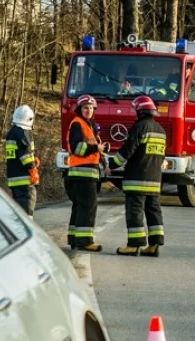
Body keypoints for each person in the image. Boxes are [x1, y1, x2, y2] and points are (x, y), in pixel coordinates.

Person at [110, 95, 167, 257]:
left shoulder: (139, 127)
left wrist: (111, 166)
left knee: (135, 211)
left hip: (137, 179)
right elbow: (161, 156)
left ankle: (134, 245)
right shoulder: (161, 131)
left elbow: (127, 151)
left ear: (140, 112)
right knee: (154, 211)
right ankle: (154, 244)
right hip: (155, 180)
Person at [65, 94, 109, 252]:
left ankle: (74, 238)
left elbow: (90, 148)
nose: (89, 110)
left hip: (83, 173)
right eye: (85, 108)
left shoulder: (88, 125)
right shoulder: (78, 124)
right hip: (82, 173)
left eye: (91, 108)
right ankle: (84, 241)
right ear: (79, 109)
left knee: (79, 206)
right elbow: (78, 148)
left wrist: (101, 151)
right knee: (88, 206)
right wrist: (96, 148)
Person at [5, 105, 39, 218]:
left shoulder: (12, 133)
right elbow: (25, 154)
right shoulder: (22, 133)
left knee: (18, 211)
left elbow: (16, 154)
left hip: (14, 178)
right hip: (24, 178)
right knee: (27, 210)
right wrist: (32, 167)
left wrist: (33, 159)